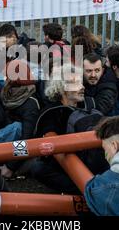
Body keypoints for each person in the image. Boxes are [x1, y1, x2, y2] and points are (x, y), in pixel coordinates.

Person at [31, 64, 108, 193]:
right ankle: (86, 192)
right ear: (62, 88)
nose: (82, 87)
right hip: (68, 162)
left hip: (98, 156)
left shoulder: (91, 104)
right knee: (38, 168)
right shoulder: (51, 113)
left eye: (81, 82)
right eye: (75, 83)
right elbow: (51, 147)